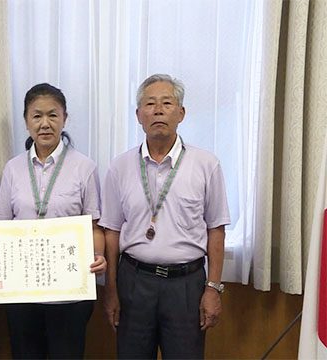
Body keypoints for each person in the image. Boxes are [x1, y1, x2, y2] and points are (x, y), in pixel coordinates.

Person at [0, 83, 106, 359]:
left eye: (53, 115)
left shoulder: (84, 167)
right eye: (37, 116)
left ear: (64, 118)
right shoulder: (13, 168)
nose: (45, 123)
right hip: (23, 292)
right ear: (26, 121)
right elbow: (0, 225)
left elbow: (94, 225)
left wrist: (99, 255)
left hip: (70, 294)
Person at [99, 74, 231, 359]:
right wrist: (111, 289)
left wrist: (213, 289)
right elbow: (111, 232)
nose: (158, 110)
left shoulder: (206, 164)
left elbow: (216, 229)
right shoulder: (119, 167)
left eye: (167, 103)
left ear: (181, 113)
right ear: (138, 115)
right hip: (134, 283)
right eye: (150, 103)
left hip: (186, 286)